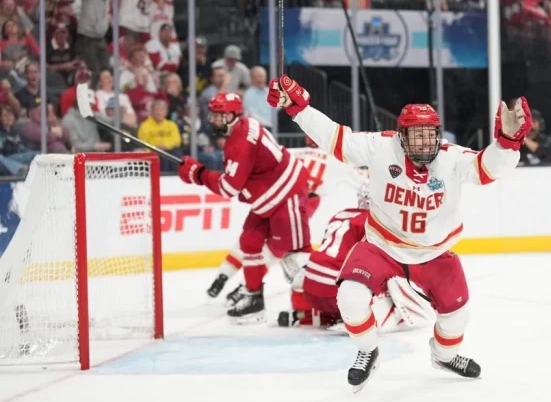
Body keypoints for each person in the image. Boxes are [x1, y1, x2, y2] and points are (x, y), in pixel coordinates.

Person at [267, 75, 532, 391]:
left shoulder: (451, 156)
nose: (423, 143)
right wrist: (298, 108)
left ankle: (444, 356)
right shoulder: (381, 146)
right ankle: (368, 350)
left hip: (434, 254)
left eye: (429, 135)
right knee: (350, 297)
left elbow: (489, 169)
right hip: (382, 247)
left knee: (458, 317)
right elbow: (334, 137)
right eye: (415, 136)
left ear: (438, 135)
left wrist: (507, 143)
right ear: (401, 136)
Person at [177, 92, 312, 322]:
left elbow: (230, 188)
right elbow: (246, 178)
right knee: (250, 239)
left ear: (231, 116)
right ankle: (254, 299)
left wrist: (198, 174)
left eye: (219, 116)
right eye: (213, 115)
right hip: (268, 197)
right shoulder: (244, 126)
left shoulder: (239, 143)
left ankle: (316, 305)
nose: (213, 120)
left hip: (286, 195)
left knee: (297, 255)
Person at [205, 133, 365, 304]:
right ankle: (246, 287)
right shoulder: (336, 161)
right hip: (300, 203)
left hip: (272, 197)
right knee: (274, 250)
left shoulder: (292, 151)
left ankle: (222, 276)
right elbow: (364, 182)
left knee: (250, 241)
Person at [278, 172, 435, 333]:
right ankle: (366, 319)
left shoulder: (341, 213)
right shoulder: (374, 222)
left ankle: (306, 314)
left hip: (311, 290)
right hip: (336, 294)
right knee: (391, 278)